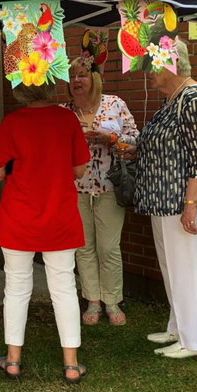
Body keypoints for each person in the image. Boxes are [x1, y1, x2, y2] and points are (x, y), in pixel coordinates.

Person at [122, 38, 197, 359]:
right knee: (173, 268)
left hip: (183, 203)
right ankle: (178, 329)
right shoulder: (173, 100)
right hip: (163, 202)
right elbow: (166, 144)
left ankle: (195, 342)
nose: (149, 73)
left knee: (187, 270)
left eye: (154, 67)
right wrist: (135, 147)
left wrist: (190, 205)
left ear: (170, 66)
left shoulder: (193, 98)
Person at [0, 81, 90, 383]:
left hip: (18, 216)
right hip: (59, 214)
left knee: (16, 288)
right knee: (64, 288)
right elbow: (80, 168)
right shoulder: (67, 119)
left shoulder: (12, 122)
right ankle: (71, 364)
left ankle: (13, 360)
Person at [62, 59, 139, 326]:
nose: (76, 81)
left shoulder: (114, 104)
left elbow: (134, 139)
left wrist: (112, 139)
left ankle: (112, 300)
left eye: (82, 75)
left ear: (95, 78)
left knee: (108, 247)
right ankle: (92, 301)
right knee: (83, 247)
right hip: (75, 189)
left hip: (109, 186)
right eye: (72, 76)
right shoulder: (63, 112)